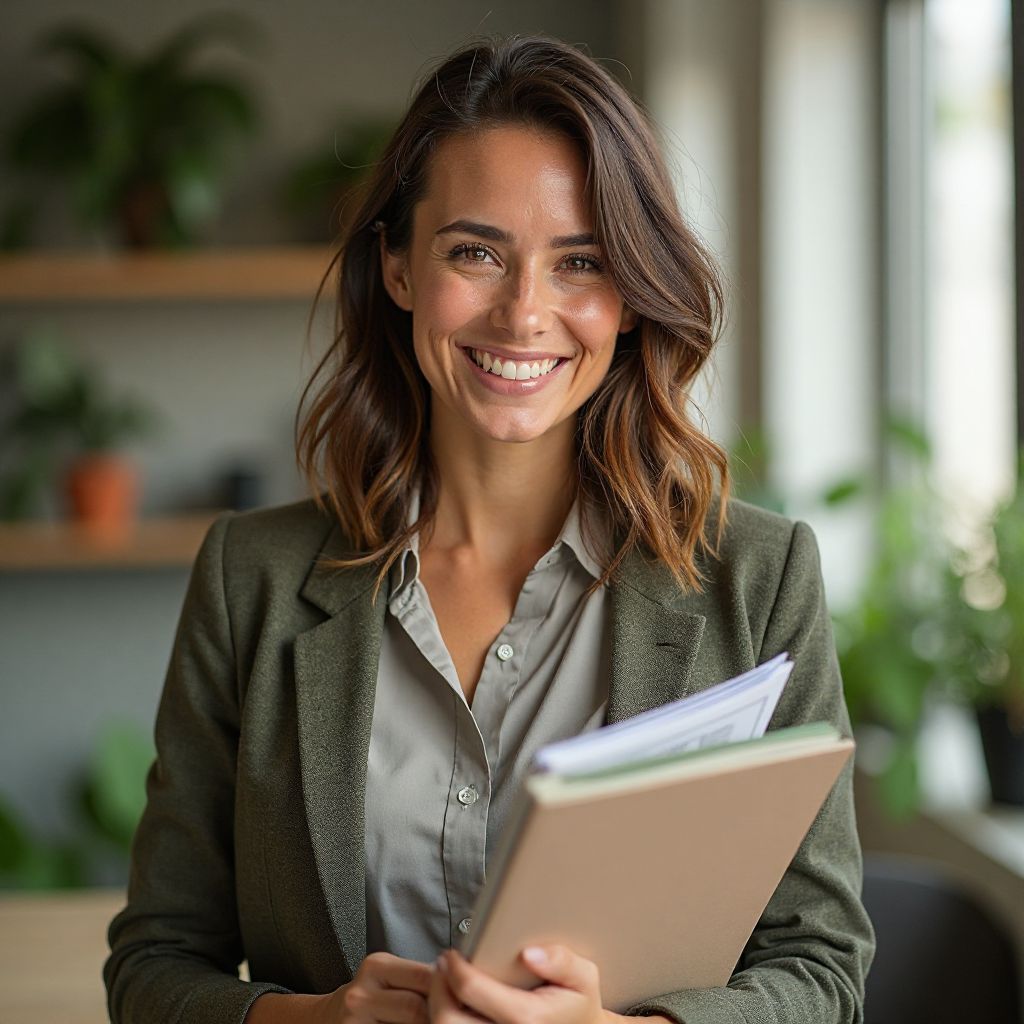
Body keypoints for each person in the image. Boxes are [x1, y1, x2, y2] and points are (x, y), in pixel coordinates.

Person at [104, 33, 874, 1024]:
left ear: (631, 297)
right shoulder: (249, 576)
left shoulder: (757, 578)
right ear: (395, 267)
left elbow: (821, 969)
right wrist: (316, 1019)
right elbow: (155, 964)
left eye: (580, 262)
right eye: (476, 252)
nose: (523, 313)